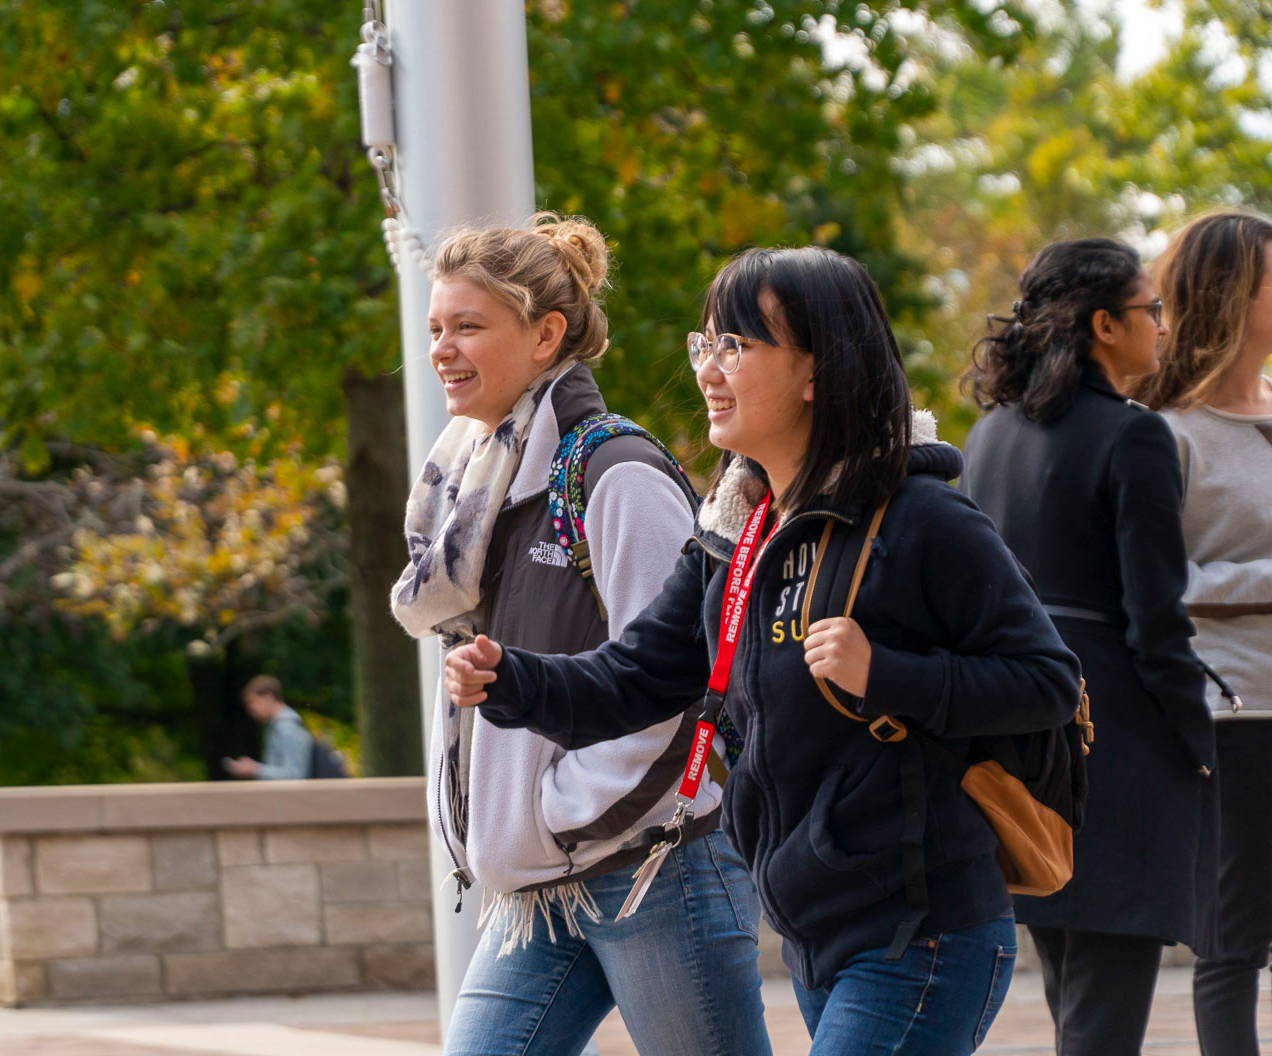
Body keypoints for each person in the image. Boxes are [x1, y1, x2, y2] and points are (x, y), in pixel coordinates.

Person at [444, 245, 1081, 1055]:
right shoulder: (734, 535)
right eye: (703, 344)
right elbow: (634, 679)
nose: (710, 369)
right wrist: (511, 679)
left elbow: (1046, 681)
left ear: (820, 369)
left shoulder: (923, 522)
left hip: (924, 936)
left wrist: (886, 675)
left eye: (737, 347)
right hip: (816, 939)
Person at [391, 214, 771, 1056]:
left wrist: (552, 813)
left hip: (653, 869)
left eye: (468, 327)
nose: (442, 350)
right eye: (435, 329)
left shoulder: (617, 472)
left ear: (546, 335)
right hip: (545, 882)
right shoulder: (475, 490)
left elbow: (679, 682)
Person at [960, 237, 1219, 1056]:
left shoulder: (990, 435)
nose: (1163, 328)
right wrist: (1197, 736)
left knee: (1078, 1004)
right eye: (1151, 311)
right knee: (1105, 1021)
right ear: (1105, 325)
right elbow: (1157, 619)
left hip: (1022, 745)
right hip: (1118, 749)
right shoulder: (1132, 437)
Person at [1134, 210, 1272, 1056]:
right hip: (1231, 713)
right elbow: (1154, 588)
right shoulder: (1165, 433)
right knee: (1234, 943)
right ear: (1230, 294)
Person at [223, 675, 315, 780]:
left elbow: (295, 775)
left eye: (253, 702)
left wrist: (254, 769)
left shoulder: (288, 729)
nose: (250, 709)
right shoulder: (277, 727)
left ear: (268, 696)